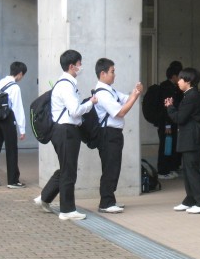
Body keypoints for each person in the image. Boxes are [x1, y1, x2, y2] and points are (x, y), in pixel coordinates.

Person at [35, 50, 97, 220]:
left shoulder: (64, 83)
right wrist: (90, 103)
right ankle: (67, 210)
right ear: (71, 66)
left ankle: (45, 197)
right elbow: (75, 111)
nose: (81, 67)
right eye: (79, 64)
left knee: (66, 168)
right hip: (66, 131)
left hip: (64, 131)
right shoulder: (66, 85)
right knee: (69, 171)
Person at [94, 58, 143, 213]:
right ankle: (106, 202)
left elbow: (126, 99)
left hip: (114, 134)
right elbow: (120, 112)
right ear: (103, 73)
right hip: (108, 134)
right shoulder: (102, 93)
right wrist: (134, 96)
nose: (114, 75)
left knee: (113, 166)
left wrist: (135, 92)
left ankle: (110, 199)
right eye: (112, 72)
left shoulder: (110, 90)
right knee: (110, 167)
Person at [165, 67, 200, 214]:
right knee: (188, 170)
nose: (178, 81)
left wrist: (170, 107)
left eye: (181, 79)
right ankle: (191, 199)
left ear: (188, 81)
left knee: (192, 171)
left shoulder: (192, 96)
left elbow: (180, 118)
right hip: (191, 138)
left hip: (193, 138)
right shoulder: (191, 94)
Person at [0, 61, 28, 188]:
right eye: (23, 75)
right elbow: (18, 108)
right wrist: (22, 129)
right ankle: (13, 181)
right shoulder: (15, 87)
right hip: (8, 118)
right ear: (20, 73)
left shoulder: (0, 82)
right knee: (11, 149)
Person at [156, 62, 183, 180]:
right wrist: (167, 125)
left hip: (171, 122)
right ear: (174, 76)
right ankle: (163, 170)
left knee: (171, 145)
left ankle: (170, 168)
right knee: (165, 145)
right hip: (166, 122)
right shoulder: (166, 88)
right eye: (179, 76)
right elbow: (166, 108)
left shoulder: (172, 87)